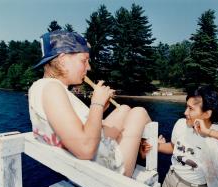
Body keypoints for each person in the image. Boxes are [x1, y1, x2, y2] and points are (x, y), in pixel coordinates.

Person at [28, 30, 151, 177]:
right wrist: (96, 104)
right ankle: (153, 145)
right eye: (84, 60)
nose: (89, 67)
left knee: (124, 108)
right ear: (62, 59)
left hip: (87, 162)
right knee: (139, 112)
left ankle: (143, 143)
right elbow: (85, 149)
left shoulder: (39, 87)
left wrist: (100, 108)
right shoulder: (53, 89)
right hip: (106, 171)